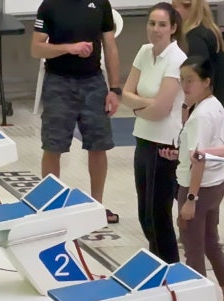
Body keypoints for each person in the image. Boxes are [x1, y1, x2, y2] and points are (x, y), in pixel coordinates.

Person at [161, 56, 224, 301]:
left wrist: (190, 199)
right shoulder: (215, 106)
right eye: (182, 80)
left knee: (193, 249)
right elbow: (205, 148)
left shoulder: (201, 116)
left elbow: (199, 159)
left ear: (207, 82)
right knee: (211, 244)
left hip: (198, 188)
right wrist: (179, 154)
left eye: (191, 81)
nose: (185, 86)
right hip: (216, 183)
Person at [31, 0, 121, 224]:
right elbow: (36, 48)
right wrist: (69, 48)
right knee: (53, 146)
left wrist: (115, 89)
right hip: (58, 83)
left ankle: (96, 205)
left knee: (98, 145)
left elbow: (110, 47)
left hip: (93, 82)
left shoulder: (101, 3)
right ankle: (50, 206)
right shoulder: (49, 6)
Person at [122, 2, 187, 264]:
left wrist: (137, 106)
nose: (155, 29)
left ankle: (171, 270)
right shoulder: (143, 51)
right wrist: (146, 105)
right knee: (144, 214)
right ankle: (157, 265)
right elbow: (125, 93)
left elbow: (162, 110)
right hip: (143, 137)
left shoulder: (176, 59)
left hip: (165, 143)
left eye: (162, 25)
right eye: (151, 23)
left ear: (173, 28)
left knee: (159, 214)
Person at [172, 0, 224, 114]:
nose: (172, 11)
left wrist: (184, 108)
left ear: (189, 8)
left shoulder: (195, 39)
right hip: (216, 107)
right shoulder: (209, 32)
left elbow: (196, 80)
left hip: (203, 111)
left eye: (175, 7)